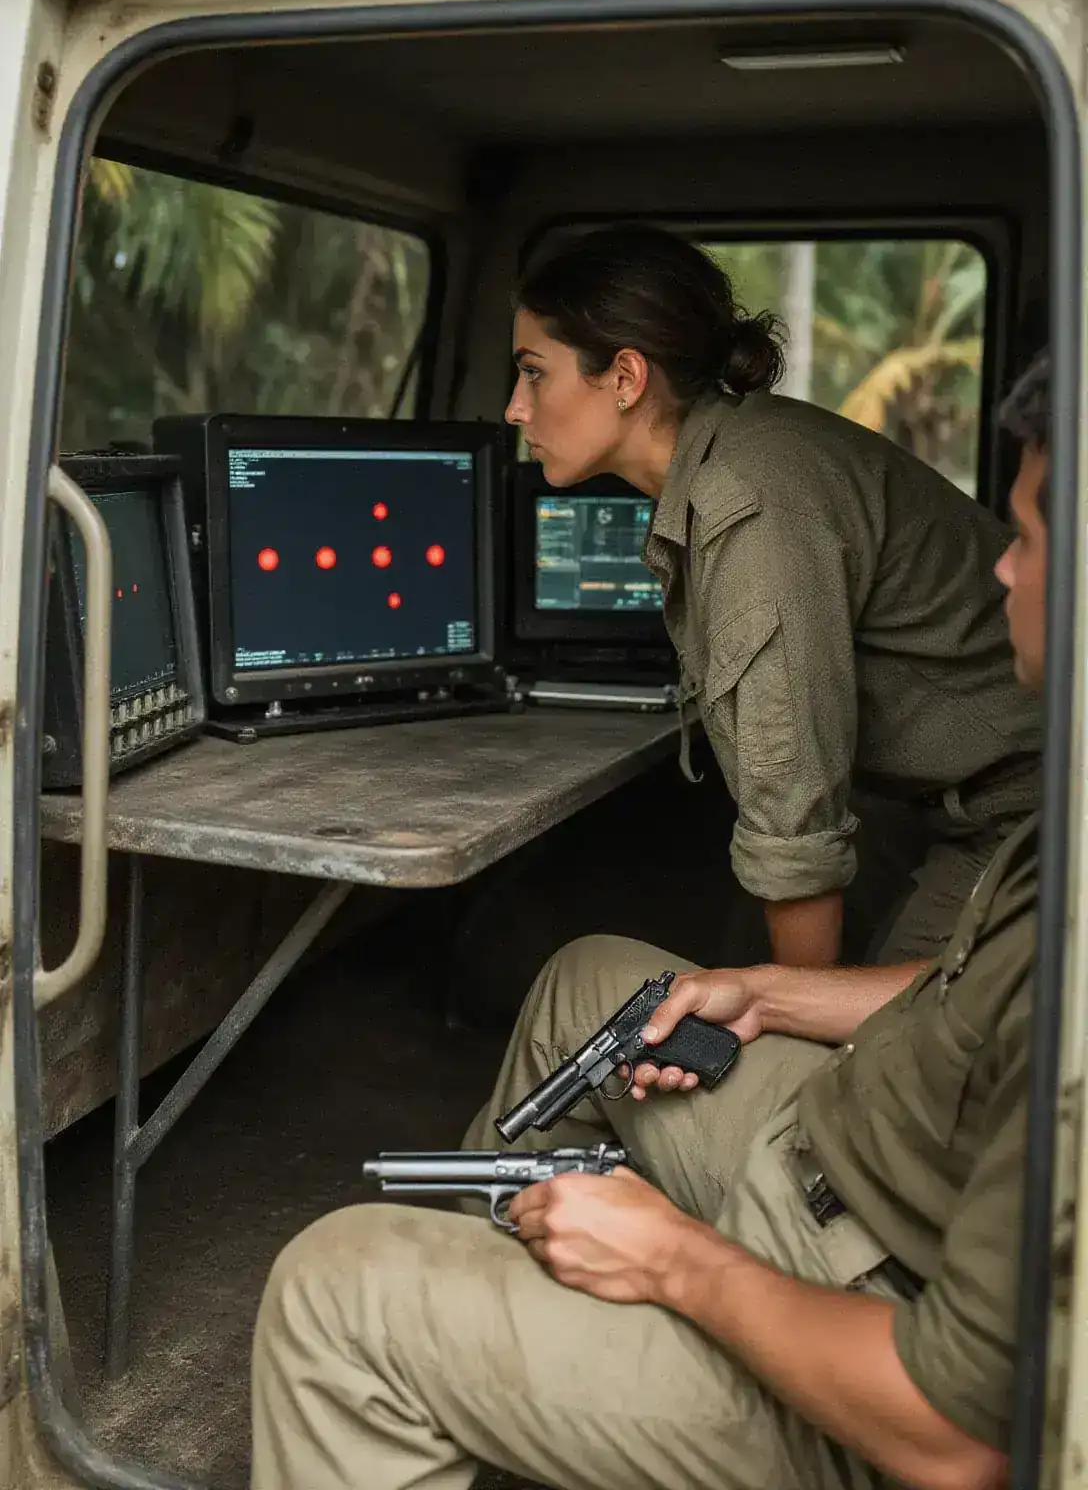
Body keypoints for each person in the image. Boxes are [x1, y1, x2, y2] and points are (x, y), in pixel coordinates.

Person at [249, 349, 1048, 1490]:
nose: (997, 571)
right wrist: (765, 991)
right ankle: (502, 1365)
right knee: (596, 982)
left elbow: (956, 1436)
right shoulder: (1060, 816)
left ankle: (449, 1356)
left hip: (866, 1319)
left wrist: (673, 1261)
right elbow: (978, 993)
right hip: (856, 1159)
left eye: (1018, 538)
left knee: (332, 1290)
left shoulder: (750, 502)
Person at [509, 225, 1039, 970]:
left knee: (883, 1059)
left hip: (1028, 808)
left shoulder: (747, 500)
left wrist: (793, 1020)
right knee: (740, 928)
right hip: (935, 796)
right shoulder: (740, 455)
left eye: (533, 373)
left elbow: (795, 837)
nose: (514, 408)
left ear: (626, 378)